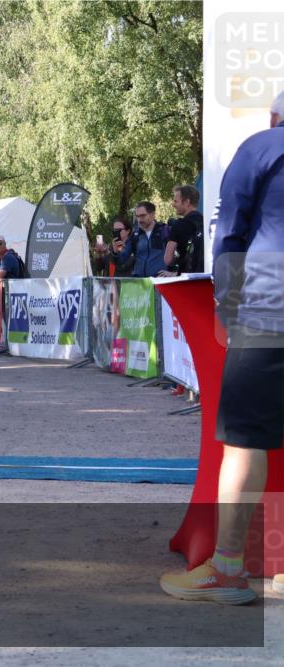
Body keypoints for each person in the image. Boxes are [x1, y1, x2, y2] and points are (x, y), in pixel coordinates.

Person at [159, 91, 284, 605]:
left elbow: (229, 235)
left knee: (244, 440)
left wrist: (224, 307)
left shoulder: (260, 147)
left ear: (276, 115)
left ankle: (228, 570)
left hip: (268, 304)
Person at [115, 201, 168, 277]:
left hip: (159, 282)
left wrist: (175, 273)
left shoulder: (164, 230)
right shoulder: (135, 234)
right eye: (137, 216)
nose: (139, 220)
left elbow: (181, 254)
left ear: (152, 214)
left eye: (143, 216)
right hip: (139, 283)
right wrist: (116, 251)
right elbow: (122, 259)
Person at [161, 185, 205, 276]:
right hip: (205, 276)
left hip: (186, 278)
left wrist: (177, 259)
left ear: (187, 202)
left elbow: (168, 260)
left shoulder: (179, 225)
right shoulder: (206, 221)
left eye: (176, 201)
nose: (173, 204)